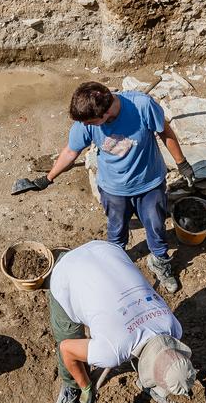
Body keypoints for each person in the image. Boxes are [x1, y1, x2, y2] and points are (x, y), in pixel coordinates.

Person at [17, 81, 193, 294]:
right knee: (116, 231)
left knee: (156, 226)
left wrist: (182, 163)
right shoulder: (87, 123)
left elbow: (165, 132)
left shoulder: (142, 105)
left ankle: (160, 263)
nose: (89, 126)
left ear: (106, 113)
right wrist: (48, 178)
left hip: (149, 184)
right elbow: (71, 152)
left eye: (93, 123)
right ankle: (115, 264)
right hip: (113, 189)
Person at [46, 239, 196, 403]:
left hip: (108, 252)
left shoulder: (172, 327)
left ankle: (147, 377)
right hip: (68, 273)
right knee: (68, 334)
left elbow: (140, 335)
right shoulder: (111, 351)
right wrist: (85, 386)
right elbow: (66, 349)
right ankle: (71, 385)